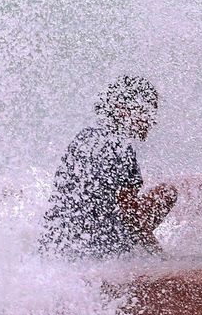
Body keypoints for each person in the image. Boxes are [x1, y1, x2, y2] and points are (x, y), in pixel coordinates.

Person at [40, 75, 178, 258]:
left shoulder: (85, 137)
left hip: (58, 239)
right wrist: (161, 257)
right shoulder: (120, 148)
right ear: (122, 110)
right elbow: (131, 218)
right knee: (166, 193)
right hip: (97, 246)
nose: (152, 120)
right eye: (147, 111)